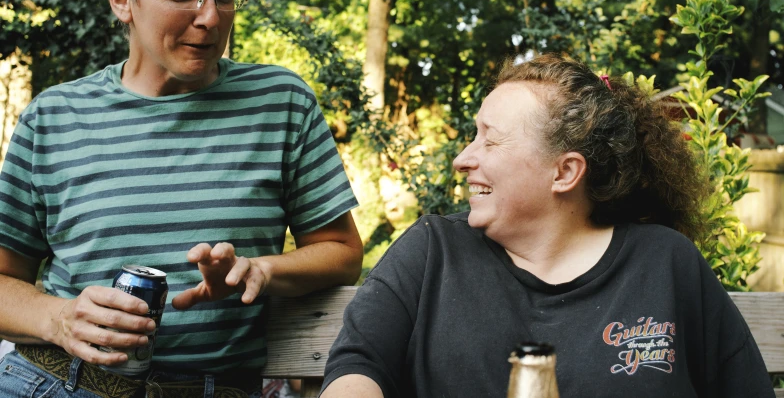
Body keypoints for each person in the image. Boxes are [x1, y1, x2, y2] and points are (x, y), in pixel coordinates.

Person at [0, 0, 362, 398]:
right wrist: (59, 318)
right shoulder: (53, 117)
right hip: (60, 383)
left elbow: (340, 251)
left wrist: (262, 269)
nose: (211, 17)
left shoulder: (281, 102)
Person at [320, 54, 775, 398]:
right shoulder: (432, 251)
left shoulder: (665, 263)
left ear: (564, 173)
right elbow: (357, 368)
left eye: (490, 140)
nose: (463, 159)